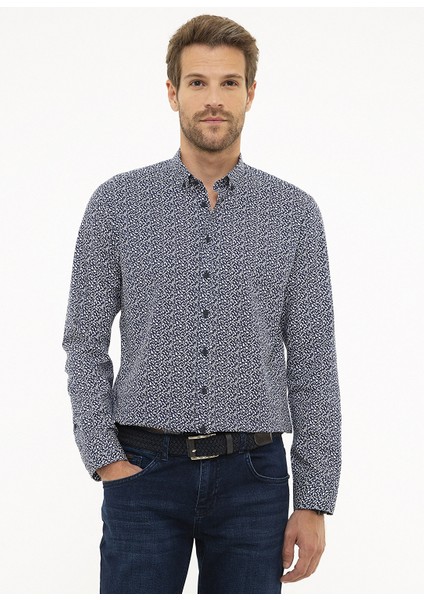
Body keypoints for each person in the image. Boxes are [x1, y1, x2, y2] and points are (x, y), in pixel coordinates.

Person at [62, 13, 341, 595]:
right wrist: (106, 458)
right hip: (143, 473)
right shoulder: (117, 204)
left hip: (254, 479)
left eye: (229, 82)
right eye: (197, 82)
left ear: (250, 93)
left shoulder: (294, 213)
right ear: (173, 92)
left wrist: (315, 498)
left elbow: (313, 360)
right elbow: (83, 342)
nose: (214, 99)